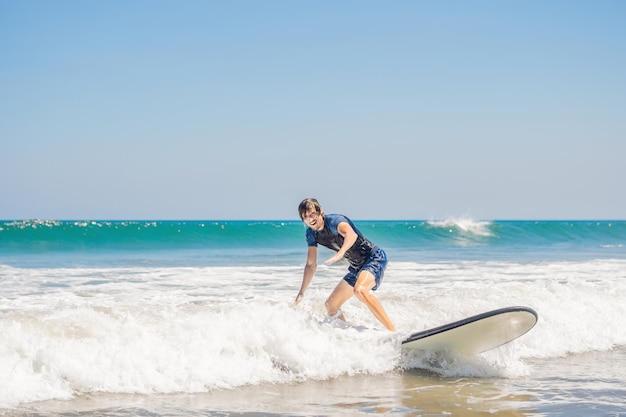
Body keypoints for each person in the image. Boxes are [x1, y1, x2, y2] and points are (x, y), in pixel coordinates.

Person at [292, 198, 396, 331]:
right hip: (356, 268)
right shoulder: (311, 234)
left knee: (360, 291)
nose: (310, 219)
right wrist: (301, 293)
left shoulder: (334, 221)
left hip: (373, 258)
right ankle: (347, 334)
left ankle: (393, 332)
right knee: (331, 305)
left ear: (320, 211)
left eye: (312, 214)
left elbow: (351, 235)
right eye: (305, 217)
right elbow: (311, 265)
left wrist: (340, 253)